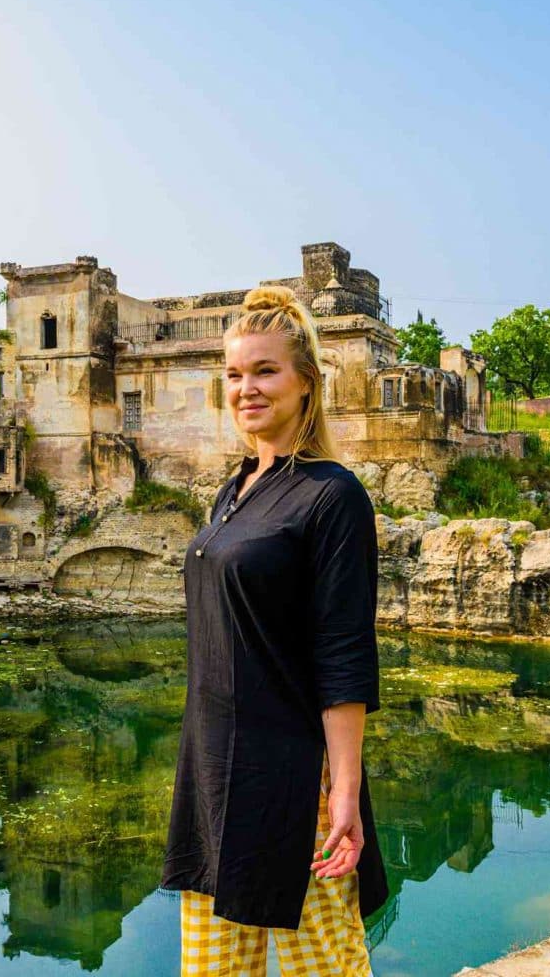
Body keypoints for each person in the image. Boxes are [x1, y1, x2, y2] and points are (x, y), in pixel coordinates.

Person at [162, 285, 387, 975]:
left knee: (322, 965)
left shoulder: (331, 494)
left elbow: (343, 650)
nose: (246, 389)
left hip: (295, 778)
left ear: (306, 383)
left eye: (265, 371)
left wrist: (343, 790)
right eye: (234, 375)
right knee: (215, 967)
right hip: (214, 771)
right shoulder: (234, 491)